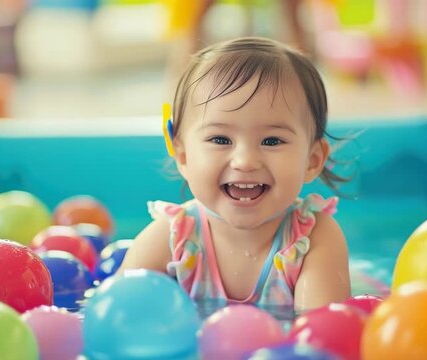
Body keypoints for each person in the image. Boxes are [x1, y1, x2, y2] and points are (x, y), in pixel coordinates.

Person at [119, 37, 350, 313]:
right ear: (183, 155)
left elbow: (322, 335)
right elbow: (117, 317)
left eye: (272, 141)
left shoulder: (314, 239)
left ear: (312, 161)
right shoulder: (171, 240)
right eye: (220, 139)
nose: (244, 161)